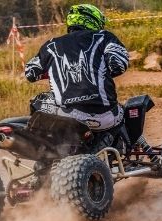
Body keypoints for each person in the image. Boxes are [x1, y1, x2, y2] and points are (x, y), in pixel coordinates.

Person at [24, 4, 129, 132]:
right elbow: (119, 65)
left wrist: (53, 70)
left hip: (68, 116)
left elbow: (30, 73)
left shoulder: (51, 45)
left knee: (39, 100)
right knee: (127, 110)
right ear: (93, 20)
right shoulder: (104, 36)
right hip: (106, 117)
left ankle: (39, 140)